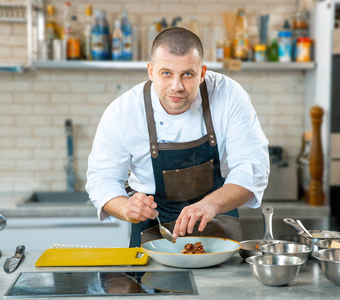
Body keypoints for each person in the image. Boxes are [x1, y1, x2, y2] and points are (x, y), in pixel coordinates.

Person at [86, 27, 269, 247]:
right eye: (166, 73)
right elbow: (101, 179)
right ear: (151, 71)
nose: (177, 86)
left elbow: (252, 167)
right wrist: (126, 208)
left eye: (188, 74)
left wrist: (210, 204)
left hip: (218, 226)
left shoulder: (229, 95)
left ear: (202, 73)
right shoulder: (123, 112)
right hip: (154, 233)